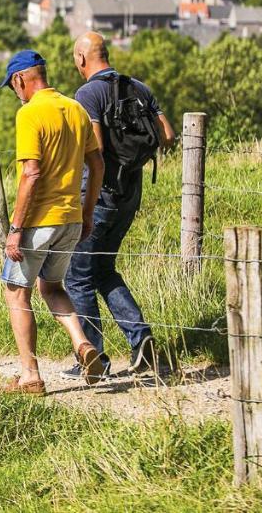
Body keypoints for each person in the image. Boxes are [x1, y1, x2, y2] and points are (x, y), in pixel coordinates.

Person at [63, 31, 176, 379]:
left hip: (99, 196)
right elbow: (168, 135)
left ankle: (93, 359)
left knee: (77, 277)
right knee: (104, 271)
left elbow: (94, 146)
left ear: (82, 58)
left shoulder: (88, 93)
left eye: (74, 59)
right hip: (130, 196)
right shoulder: (138, 88)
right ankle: (141, 340)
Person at [0, 49, 107, 394]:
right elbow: (98, 164)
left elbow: (30, 172)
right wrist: (87, 212)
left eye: (13, 87)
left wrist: (15, 229)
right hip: (70, 219)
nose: (15, 93)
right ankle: (83, 344)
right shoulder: (75, 109)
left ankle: (30, 375)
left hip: (38, 221)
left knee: (16, 292)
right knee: (53, 287)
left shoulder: (30, 114)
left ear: (20, 80)